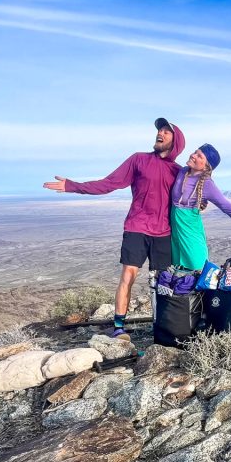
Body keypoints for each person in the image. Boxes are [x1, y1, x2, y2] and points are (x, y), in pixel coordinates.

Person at [43, 118, 185, 340]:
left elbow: (190, 196)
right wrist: (73, 186)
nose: (161, 133)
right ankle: (119, 326)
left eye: (167, 132)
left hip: (164, 233)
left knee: (163, 281)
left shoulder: (177, 171)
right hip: (137, 227)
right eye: (160, 130)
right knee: (128, 274)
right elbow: (110, 183)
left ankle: (165, 327)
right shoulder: (139, 160)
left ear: (176, 143)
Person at [170, 143, 231, 271]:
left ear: (206, 166)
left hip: (190, 233)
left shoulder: (207, 184)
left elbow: (226, 206)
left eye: (199, 156)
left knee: (196, 270)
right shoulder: (182, 171)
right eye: (195, 152)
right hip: (175, 234)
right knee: (177, 274)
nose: (193, 155)